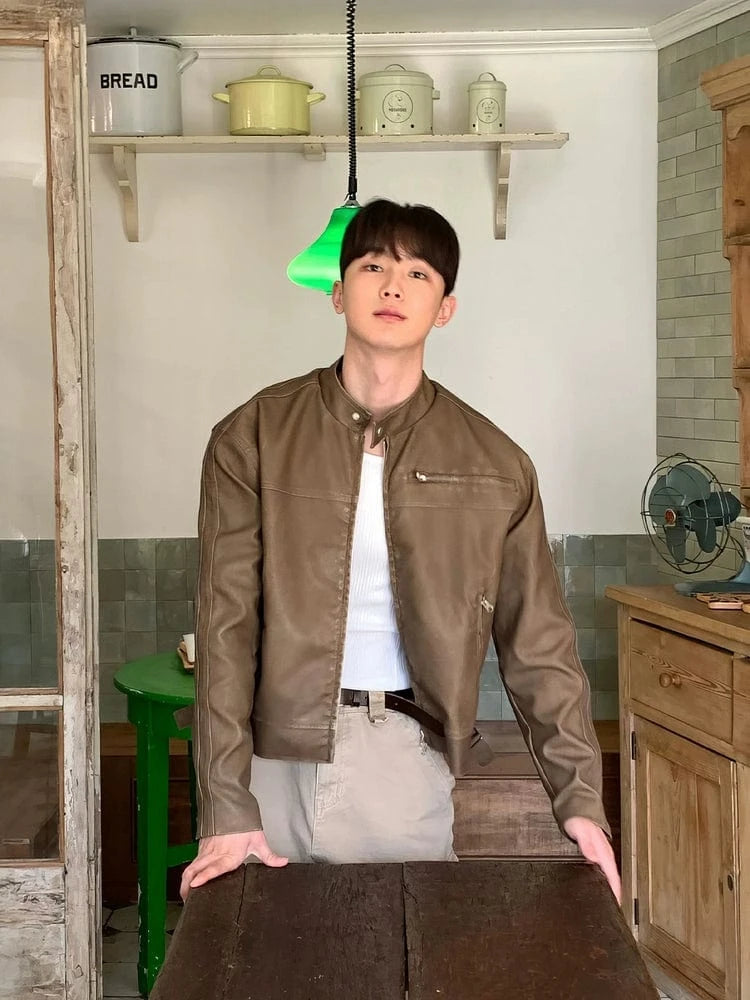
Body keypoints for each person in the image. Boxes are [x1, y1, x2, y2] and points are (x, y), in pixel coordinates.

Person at [180, 198, 620, 903]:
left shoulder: (496, 463)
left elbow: (538, 643)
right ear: (338, 292)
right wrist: (227, 803)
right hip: (272, 759)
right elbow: (225, 628)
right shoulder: (254, 435)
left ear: (445, 309)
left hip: (405, 758)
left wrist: (580, 801)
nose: (393, 286)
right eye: (373, 266)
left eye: (418, 273)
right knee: (266, 955)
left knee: (398, 951)